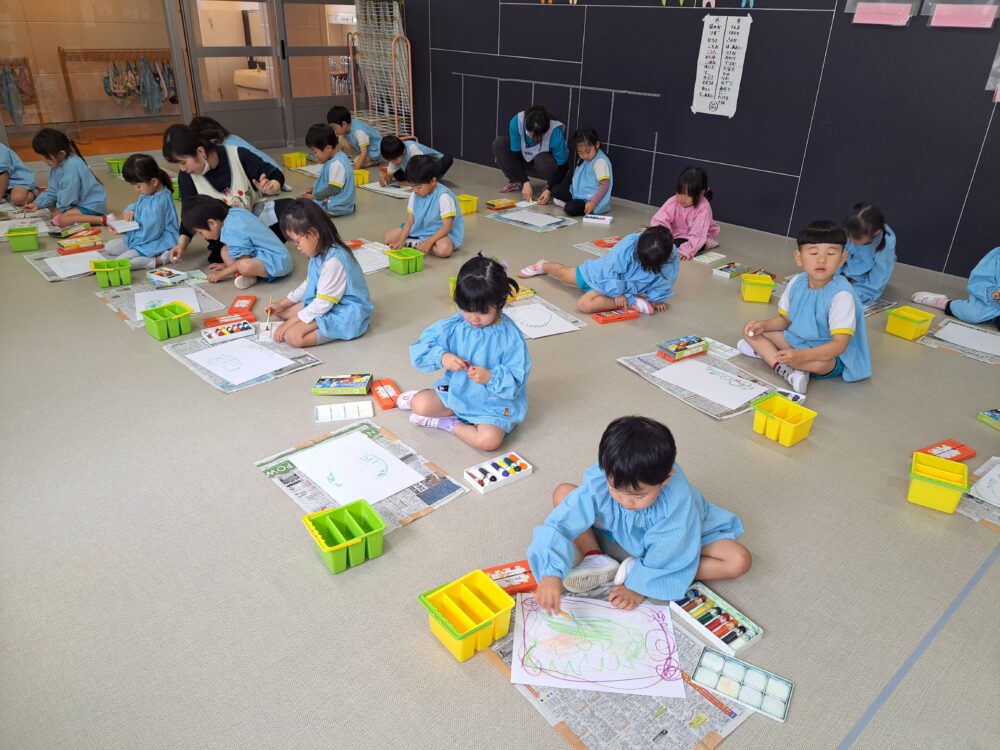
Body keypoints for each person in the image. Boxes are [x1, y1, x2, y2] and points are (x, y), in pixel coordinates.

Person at [528, 416, 750, 613]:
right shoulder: (605, 477)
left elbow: (669, 548)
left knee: (738, 560)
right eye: (615, 489)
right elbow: (561, 524)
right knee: (563, 493)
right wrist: (550, 572)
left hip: (677, 540)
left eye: (638, 495)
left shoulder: (677, 500)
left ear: (665, 479)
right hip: (617, 526)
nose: (626, 502)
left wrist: (638, 585)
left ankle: (640, 570)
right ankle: (595, 556)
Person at [398, 254, 531, 451]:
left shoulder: (510, 337)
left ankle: (449, 424)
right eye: (466, 309)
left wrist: (490, 377)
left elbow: (517, 378)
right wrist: (442, 357)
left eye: (482, 312)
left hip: (492, 404)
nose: (474, 319)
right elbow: (420, 349)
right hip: (458, 393)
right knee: (421, 405)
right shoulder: (454, 326)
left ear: (500, 302)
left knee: (488, 441)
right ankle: (433, 404)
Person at [740, 220, 872, 393]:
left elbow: (839, 345)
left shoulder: (842, 295)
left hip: (829, 354)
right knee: (751, 331)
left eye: (831, 253)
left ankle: (773, 358)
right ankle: (788, 370)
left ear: (842, 258)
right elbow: (785, 320)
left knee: (820, 364)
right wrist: (763, 325)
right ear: (799, 257)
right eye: (813, 252)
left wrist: (802, 355)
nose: (822, 259)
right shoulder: (797, 282)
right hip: (798, 342)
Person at [162, 123, 291, 264]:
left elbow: (275, 174)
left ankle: (255, 252)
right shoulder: (187, 177)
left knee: (290, 207)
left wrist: (272, 186)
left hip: (253, 222)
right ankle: (257, 251)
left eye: (183, 162)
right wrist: (181, 245)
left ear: (200, 151)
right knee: (225, 252)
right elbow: (189, 217)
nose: (182, 168)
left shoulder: (238, 155)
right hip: (225, 238)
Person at [264, 199, 373, 347]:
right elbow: (308, 284)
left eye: (297, 241)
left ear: (314, 233)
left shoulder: (334, 261)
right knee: (290, 312)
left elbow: (322, 304)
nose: (297, 247)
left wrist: (289, 323)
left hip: (346, 312)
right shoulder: (318, 254)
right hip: (331, 304)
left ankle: (325, 325)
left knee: (292, 336)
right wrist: (282, 303)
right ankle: (295, 316)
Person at [518, 226, 679, 315]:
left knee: (584, 305)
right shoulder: (629, 244)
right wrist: (618, 294)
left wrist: (655, 300)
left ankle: (632, 302)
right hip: (601, 277)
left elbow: (666, 280)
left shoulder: (671, 258)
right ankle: (542, 265)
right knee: (562, 274)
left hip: (625, 291)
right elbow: (611, 270)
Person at [181, 195, 293, 289]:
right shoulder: (233, 214)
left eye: (201, 232)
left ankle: (250, 277)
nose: (203, 236)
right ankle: (246, 275)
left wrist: (222, 274)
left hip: (277, 264)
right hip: (268, 254)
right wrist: (225, 265)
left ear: (212, 223)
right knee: (225, 250)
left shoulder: (231, 230)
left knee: (244, 265)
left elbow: (243, 259)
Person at [103, 154, 179, 270]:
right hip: (142, 237)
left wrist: (125, 232)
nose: (136, 190)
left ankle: (160, 259)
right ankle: (142, 252)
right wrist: (131, 210)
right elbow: (137, 205)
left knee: (122, 262)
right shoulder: (150, 192)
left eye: (138, 186)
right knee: (109, 247)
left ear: (154, 182)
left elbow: (150, 233)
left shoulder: (158, 203)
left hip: (156, 240)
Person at [384, 155, 464, 258]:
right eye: (412, 186)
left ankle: (418, 244)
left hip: (440, 234)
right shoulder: (415, 194)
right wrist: (401, 240)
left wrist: (430, 241)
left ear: (433, 181)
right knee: (387, 238)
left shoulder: (444, 196)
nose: (415, 190)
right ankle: (417, 243)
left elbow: (447, 227)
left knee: (444, 249)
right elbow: (410, 221)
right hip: (420, 229)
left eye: (418, 187)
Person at [24, 128, 107, 227]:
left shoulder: (72, 165)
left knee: (63, 220)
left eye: (46, 157)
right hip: (77, 202)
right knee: (52, 211)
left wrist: (60, 210)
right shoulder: (57, 165)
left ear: (61, 154)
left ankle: (102, 220)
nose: (43, 160)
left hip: (91, 205)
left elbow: (69, 191)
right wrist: (38, 203)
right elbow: (53, 190)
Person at [491, 105, 569, 202]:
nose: (532, 138)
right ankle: (517, 181)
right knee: (499, 143)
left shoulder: (555, 132)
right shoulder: (517, 122)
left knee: (542, 159)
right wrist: (525, 181)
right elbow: (515, 157)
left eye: (536, 136)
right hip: (523, 159)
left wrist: (550, 188)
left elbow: (563, 167)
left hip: (543, 164)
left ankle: (549, 187)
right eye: (529, 134)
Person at [912, 247, 1000, 331]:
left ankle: (992, 318)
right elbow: (979, 280)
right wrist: (991, 292)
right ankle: (945, 303)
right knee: (972, 314)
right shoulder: (996, 258)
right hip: (991, 302)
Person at [537, 127, 612, 217]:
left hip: (591, 200)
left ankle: (570, 204)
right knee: (555, 190)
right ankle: (571, 202)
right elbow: (574, 176)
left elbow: (604, 185)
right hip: (578, 193)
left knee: (570, 208)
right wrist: (549, 190)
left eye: (588, 151)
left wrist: (593, 202)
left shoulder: (600, 162)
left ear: (597, 144)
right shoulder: (584, 159)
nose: (584, 155)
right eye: (580, 153)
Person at [650, 166, 720, 260]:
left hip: (698, 236)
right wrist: (661, 236)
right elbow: (660, 220)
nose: (682, 199)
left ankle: (707, 243)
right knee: (653, 240)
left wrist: (686, 250)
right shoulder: (673, 201)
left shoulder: (703, 208)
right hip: (676, 232)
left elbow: (698, 235)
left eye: (689, 195)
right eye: (680, 193)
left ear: (701, 193)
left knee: (676, 246)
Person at [841, 203, 896, 306]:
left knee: (846, 298)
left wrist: (851, 293)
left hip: (864, 283)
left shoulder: (886, 241)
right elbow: (836, 258)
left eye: (856, 238)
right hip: (843, 275)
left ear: (876, 233)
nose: (851, 240)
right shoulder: (849, 230)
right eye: (849, 236)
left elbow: (876, 280)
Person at [302, 124, 355, 217]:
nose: (314, 155)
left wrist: (314, 197)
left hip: (338, 206)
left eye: (315, 152)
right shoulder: (334, 157)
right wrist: (314, 189)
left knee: (304, 209)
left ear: (328, 148)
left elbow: (334, 189)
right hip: (336, 200)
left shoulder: (336, 164)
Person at [378, 135, 453, 186]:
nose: (393, 162)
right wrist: (387, 179)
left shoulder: (412, 148)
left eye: (395, 159)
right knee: (397, 175)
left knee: (447, 159)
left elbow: (422, 168)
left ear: (403, 151)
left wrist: (409, 183)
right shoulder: (395, 156)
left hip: (431, 165)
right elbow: (390, 174)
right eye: (391, 161)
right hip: (415, 170)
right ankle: (421, 180)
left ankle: (425, 179)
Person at [326, 105, 383, 170]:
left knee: (356, 162)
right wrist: (331, 157)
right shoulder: (346, 127)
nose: (333, 131)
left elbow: (364, 152)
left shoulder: (359, 132)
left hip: (374, 151)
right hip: (361, 147)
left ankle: (375, 161)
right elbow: (339, 146)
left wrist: (356, 168)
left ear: (344, 124)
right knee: (342, 145)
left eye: (334, 128)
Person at [0, 142, 37, 206]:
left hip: (16, 181)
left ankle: (33, 192)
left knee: (18, 199)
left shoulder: (1, 150)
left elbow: (3, 175)